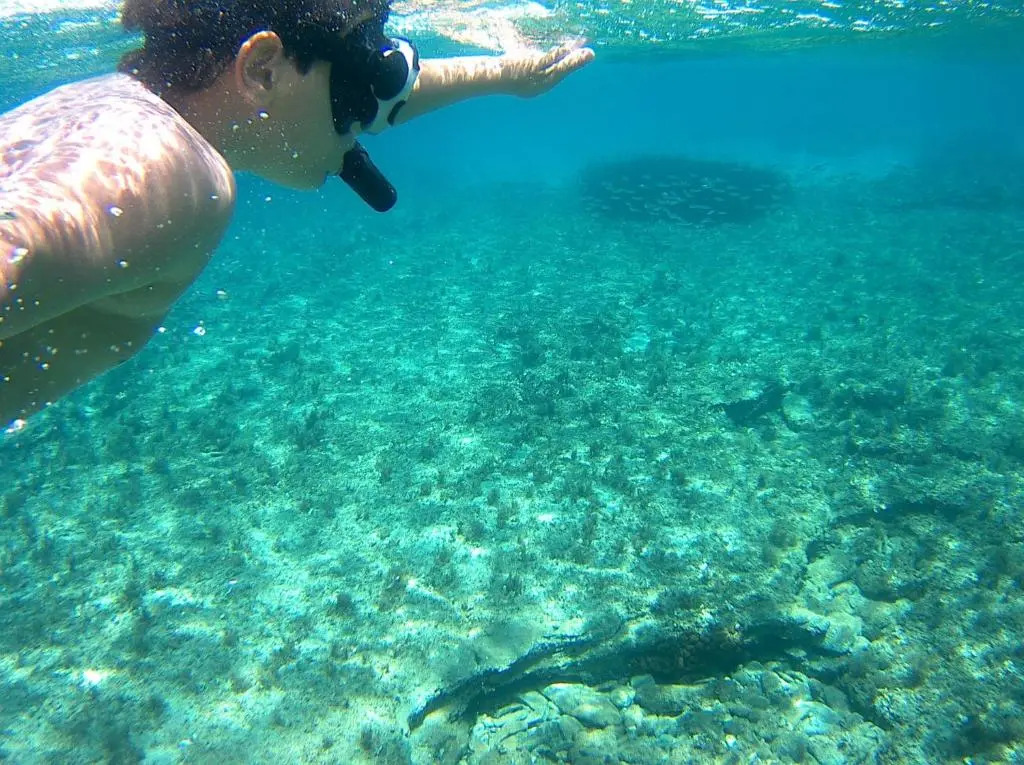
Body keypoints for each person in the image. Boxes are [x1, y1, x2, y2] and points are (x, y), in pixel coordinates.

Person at [0, 0, 594, 428]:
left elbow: (354, 91)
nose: (365, 122)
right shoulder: (172, 170)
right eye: (356, 89)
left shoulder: (116, 112)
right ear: (261, 69)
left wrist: (507, 75)